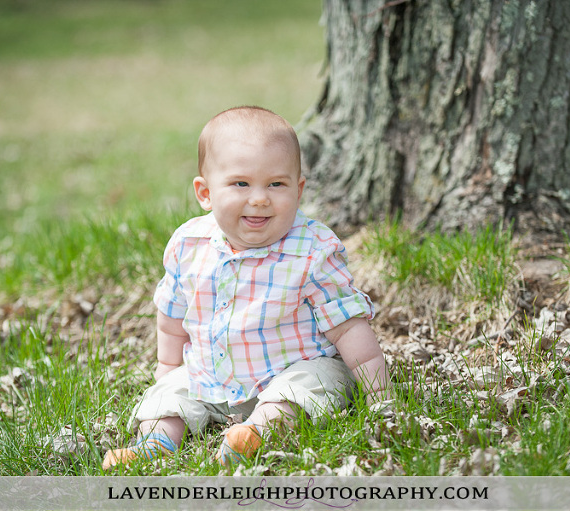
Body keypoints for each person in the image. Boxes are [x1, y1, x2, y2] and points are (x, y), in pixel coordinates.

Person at [102, 106, 391, 469]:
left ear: (298, 190)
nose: (259, 198)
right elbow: (171, 314)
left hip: (293, 368)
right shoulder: (188, 244)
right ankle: (154, 444)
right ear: (205, 193)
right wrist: (167, 368)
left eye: (276, 184)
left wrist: (380, 396)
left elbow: (348, 326)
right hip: (210, 376)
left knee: (308, 387)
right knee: (170, 395)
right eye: (241, 183)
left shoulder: (313, 250)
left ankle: (257, 434)